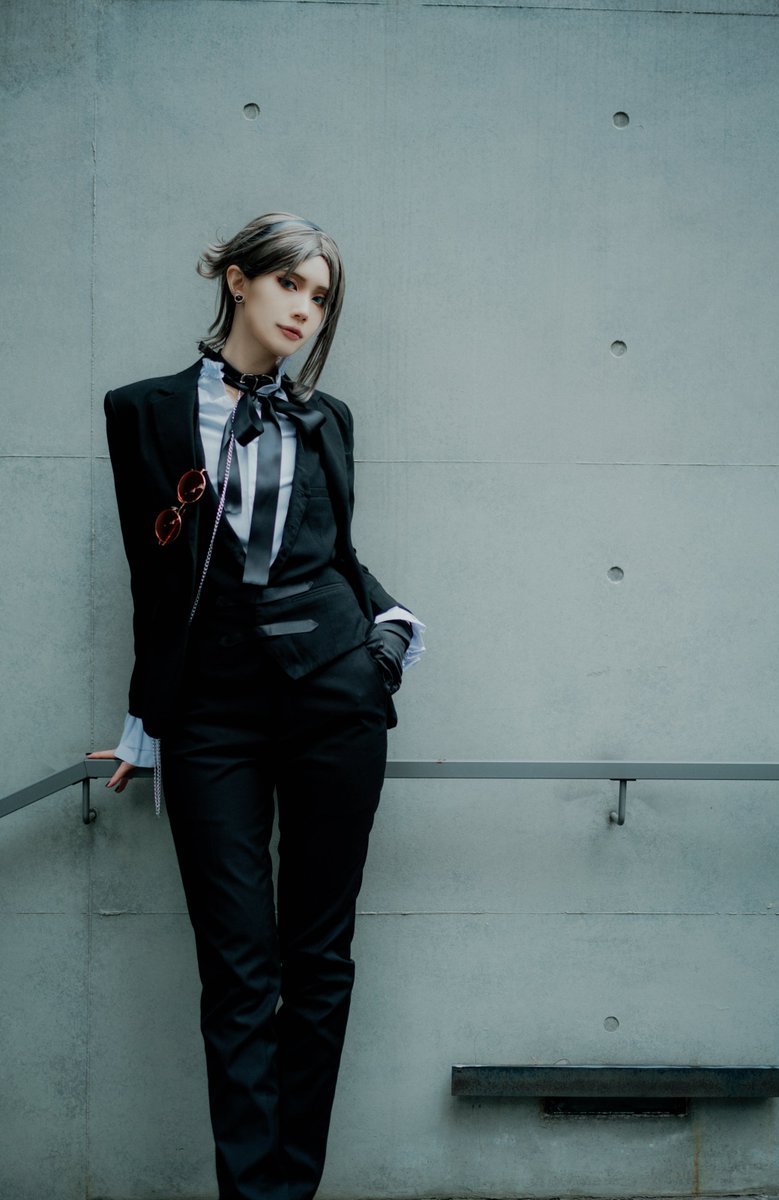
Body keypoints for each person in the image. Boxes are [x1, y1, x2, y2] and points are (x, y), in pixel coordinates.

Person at [88, 212, 423, 1200]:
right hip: (213, 715)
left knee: (319, 959)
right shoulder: (142, 411)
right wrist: (145, 724)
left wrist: (387, 641)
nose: (305, 310)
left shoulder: (329, 419)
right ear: (238, 279)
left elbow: (337, 554)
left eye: (320, 297)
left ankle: (291, 1187)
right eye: (290, 285)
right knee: (237, 969)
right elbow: (154, 581)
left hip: (335, 701)